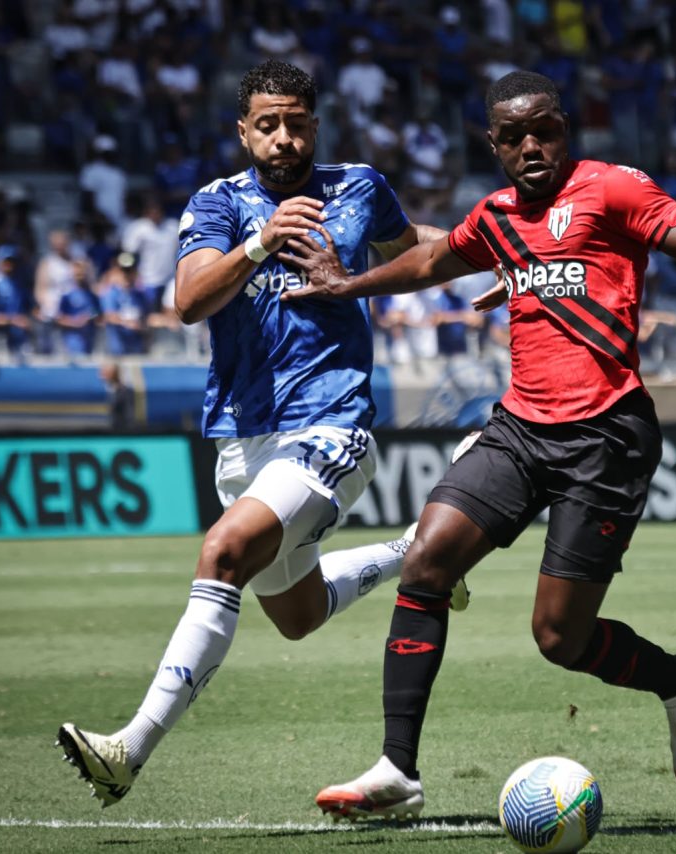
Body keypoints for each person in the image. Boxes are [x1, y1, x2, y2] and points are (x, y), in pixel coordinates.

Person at [279, 71, 676, 818]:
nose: (530, 147)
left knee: (558, 637)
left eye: (542, 130)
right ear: (493, 144)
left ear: (565, 129)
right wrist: (344, 284)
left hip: (606, 436)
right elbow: (428, 263)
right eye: (512, 137)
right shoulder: (496, 217)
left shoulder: (613, 190)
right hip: (520, 428)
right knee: (427, 559)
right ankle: (397, 770)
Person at [55, 60, 468, 808]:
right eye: (268, 124)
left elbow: (417, 247)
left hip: (331, 424)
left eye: (297, 123)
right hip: (242, 436)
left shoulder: (359, 188)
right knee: (298, 616)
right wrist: (260, 243)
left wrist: (500, 253)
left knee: (221, 552)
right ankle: (417, 551)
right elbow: (187, 301)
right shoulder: (216, 205)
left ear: (316, 124)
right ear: (244, 130)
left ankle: (129, 749)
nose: (284, 138)